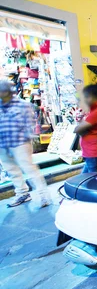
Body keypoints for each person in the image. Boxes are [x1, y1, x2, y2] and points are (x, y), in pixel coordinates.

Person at [0, 79, 50, 208]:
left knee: (30, 169)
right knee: (12, 171)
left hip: (20, 142)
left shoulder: (22, 105)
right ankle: (22, 193)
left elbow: (30, 125)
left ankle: (43, 195)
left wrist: (27, 139)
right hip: (3, 143)